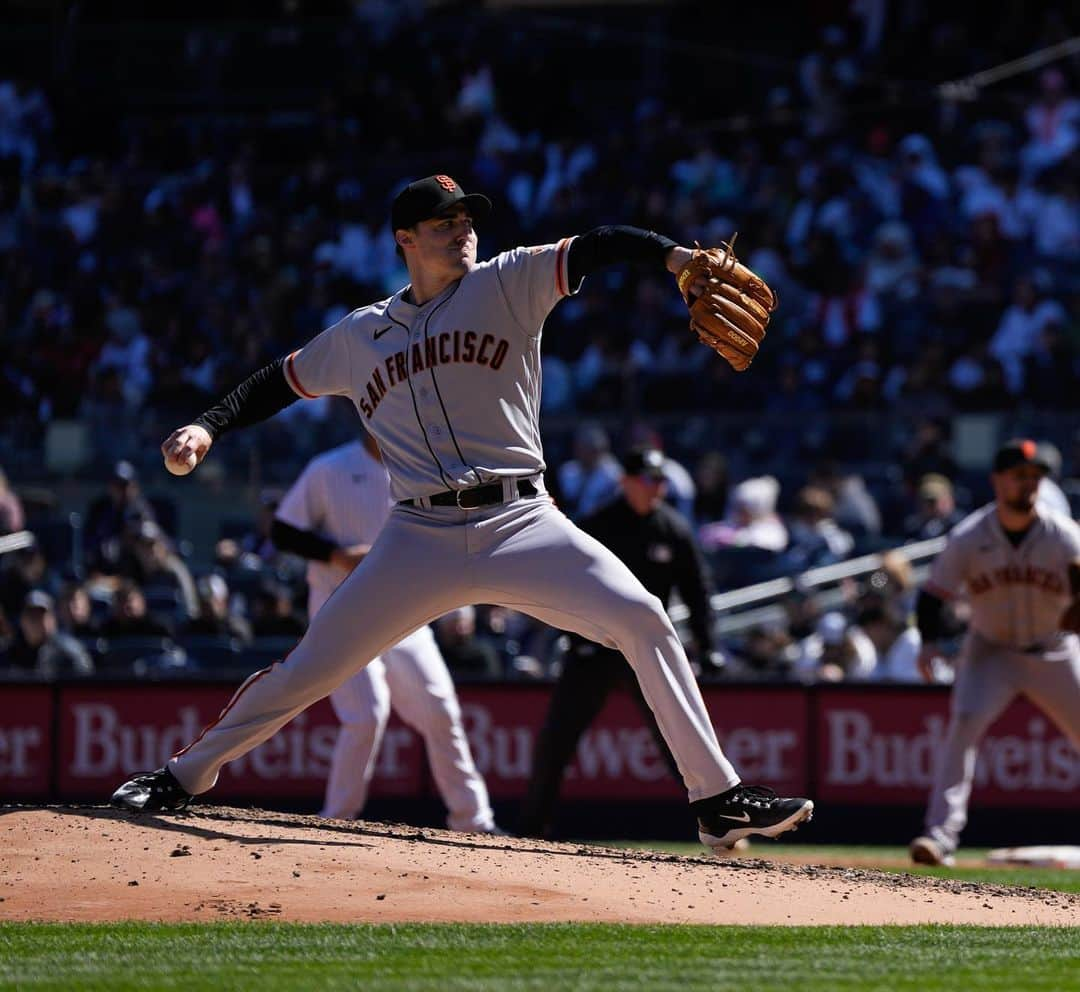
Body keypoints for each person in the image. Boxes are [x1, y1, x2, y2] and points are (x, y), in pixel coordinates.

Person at [110, 173, 813, 852]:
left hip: (522, 521)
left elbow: (596, 243)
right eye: (444, 224)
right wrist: (209, 425)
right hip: (418, 536)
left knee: (643, 618)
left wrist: (676, 257)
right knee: (309, 670)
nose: (462, 231)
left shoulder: (508, 282)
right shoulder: (362, 335)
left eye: (467, 219)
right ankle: (181, 776)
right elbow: (279, 381)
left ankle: (717, 800)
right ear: (404, 240)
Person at [271, 431, 500, 832]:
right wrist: (334, 554)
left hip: (404, 612)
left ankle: (473, 820)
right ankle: (337, 818)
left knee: (441, 708)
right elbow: (282, 531)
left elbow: (444, 540)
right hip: (342, 614)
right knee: (367, 712)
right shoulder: (329, 468)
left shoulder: (422, 469)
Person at [517, 446, 722, 839]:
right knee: (555, 744)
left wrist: (708, 644)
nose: (656, 488)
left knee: (678, 741)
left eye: (661, 480)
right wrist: (572, 635)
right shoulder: (599, 525)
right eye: (648, 480)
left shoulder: (673, 530)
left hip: (643, 655)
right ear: (625, 482)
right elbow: (564, 584)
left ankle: (715, 823)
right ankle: (530, 828)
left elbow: (698, 592)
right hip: (595, 651)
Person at [910, 439, 1080, 867]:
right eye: (1019, 476)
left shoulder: (1063, 536)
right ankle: (939, 838)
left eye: (1034, 478)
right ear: (997, 481)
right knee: (963, 727)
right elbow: (933, 594)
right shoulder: (970, 536)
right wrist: (929, 641)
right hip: (991, 652)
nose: (1028, 485)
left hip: (1054, 650)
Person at [0, 590, 94, 677]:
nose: (36, 622)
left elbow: (84, 688)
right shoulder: (7, 652)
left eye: (41, 616)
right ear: (22, 621)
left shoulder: (70, 652)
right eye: (31, 617)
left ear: (52, 619)